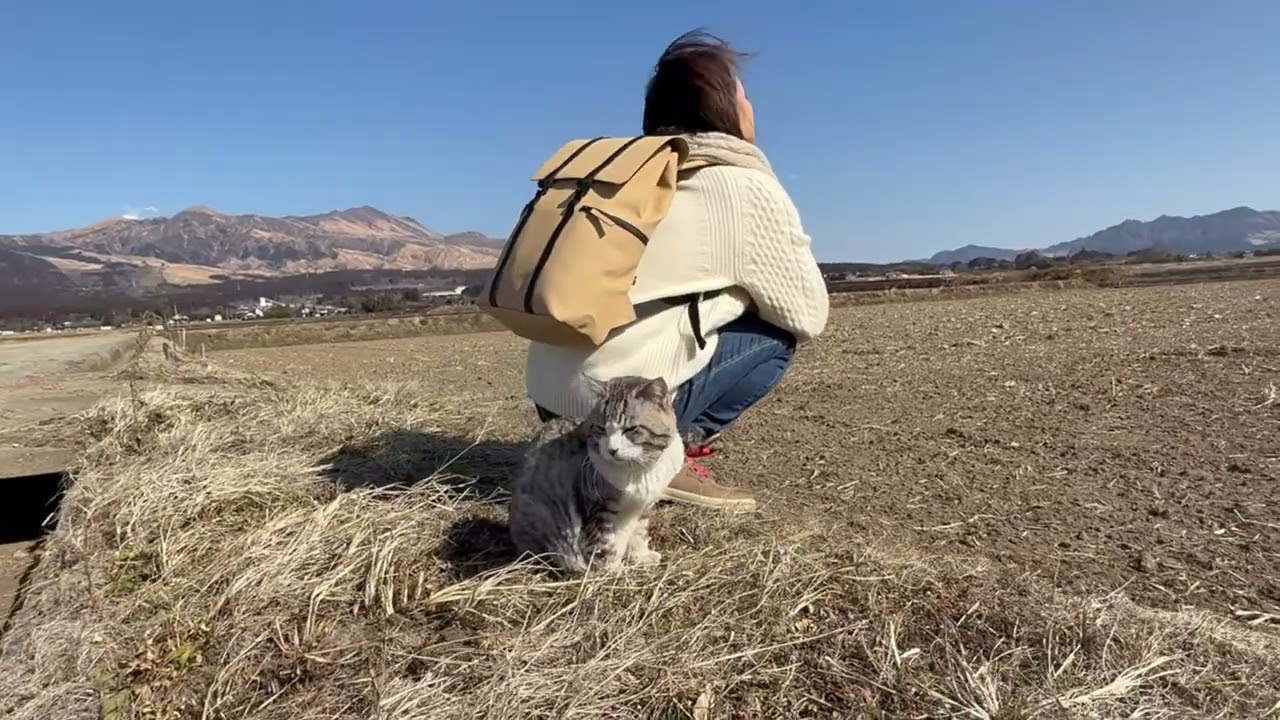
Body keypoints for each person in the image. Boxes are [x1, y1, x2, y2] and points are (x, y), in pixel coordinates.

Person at [523, 30, 829, 511]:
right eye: (745, 95)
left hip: (549, 394)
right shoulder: (739, 183)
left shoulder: (623, 176)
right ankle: (664, 455)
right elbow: (808, 312)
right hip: (617, 408)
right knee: (775, 337)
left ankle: (594, 447)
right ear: (725, 107)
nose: (752, 107)